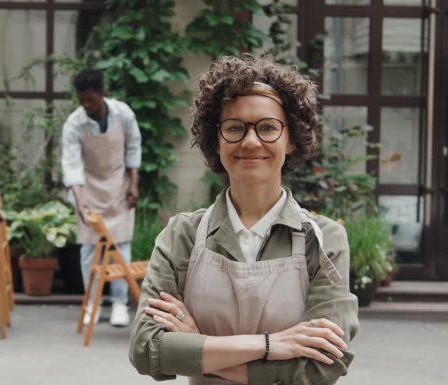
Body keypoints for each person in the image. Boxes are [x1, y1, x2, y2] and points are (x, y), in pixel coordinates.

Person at [128, 55, 359, 385]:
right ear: (217, 139)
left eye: (267, 127)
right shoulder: (182, 235)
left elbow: (321, 368)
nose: (250, 141)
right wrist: (270, 345)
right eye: (235, 128)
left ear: (291, 138)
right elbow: (146, 350)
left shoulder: (322, 240)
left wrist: (200, 348)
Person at [61, 69, 142, 327]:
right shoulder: (74, 123)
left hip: (119, 184)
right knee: (88, 248)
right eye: (82, 100)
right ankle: (92, 303)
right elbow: (71, 165)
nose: (86, 105)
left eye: (91, 99)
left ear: (102, 94)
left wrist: (134, 185)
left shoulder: (123, 114)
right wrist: (79, 200)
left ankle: (119, 303)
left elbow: (133, 148)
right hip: (89, 187)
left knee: (120, 245)